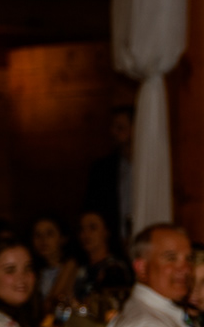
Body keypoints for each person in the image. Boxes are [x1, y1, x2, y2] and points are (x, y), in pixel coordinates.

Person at [83, 104, 136, 248]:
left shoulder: (151, 166)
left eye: (120, 127)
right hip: (113, 243)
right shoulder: (102, 168)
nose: (113, 132)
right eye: (113, 127)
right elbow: (93, 208)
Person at [74, 209, 132, 294]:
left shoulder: (114, 268)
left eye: (93, 228)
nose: (85, 234)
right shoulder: (81, 268)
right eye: (82, 229)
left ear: (106, 231)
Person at [30, 216, 82, 303]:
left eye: (49, 234)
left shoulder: (71, 265)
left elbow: (52, 301)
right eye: (38, 235)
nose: (43, 240)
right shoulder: (36, 271)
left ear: (62, 238)